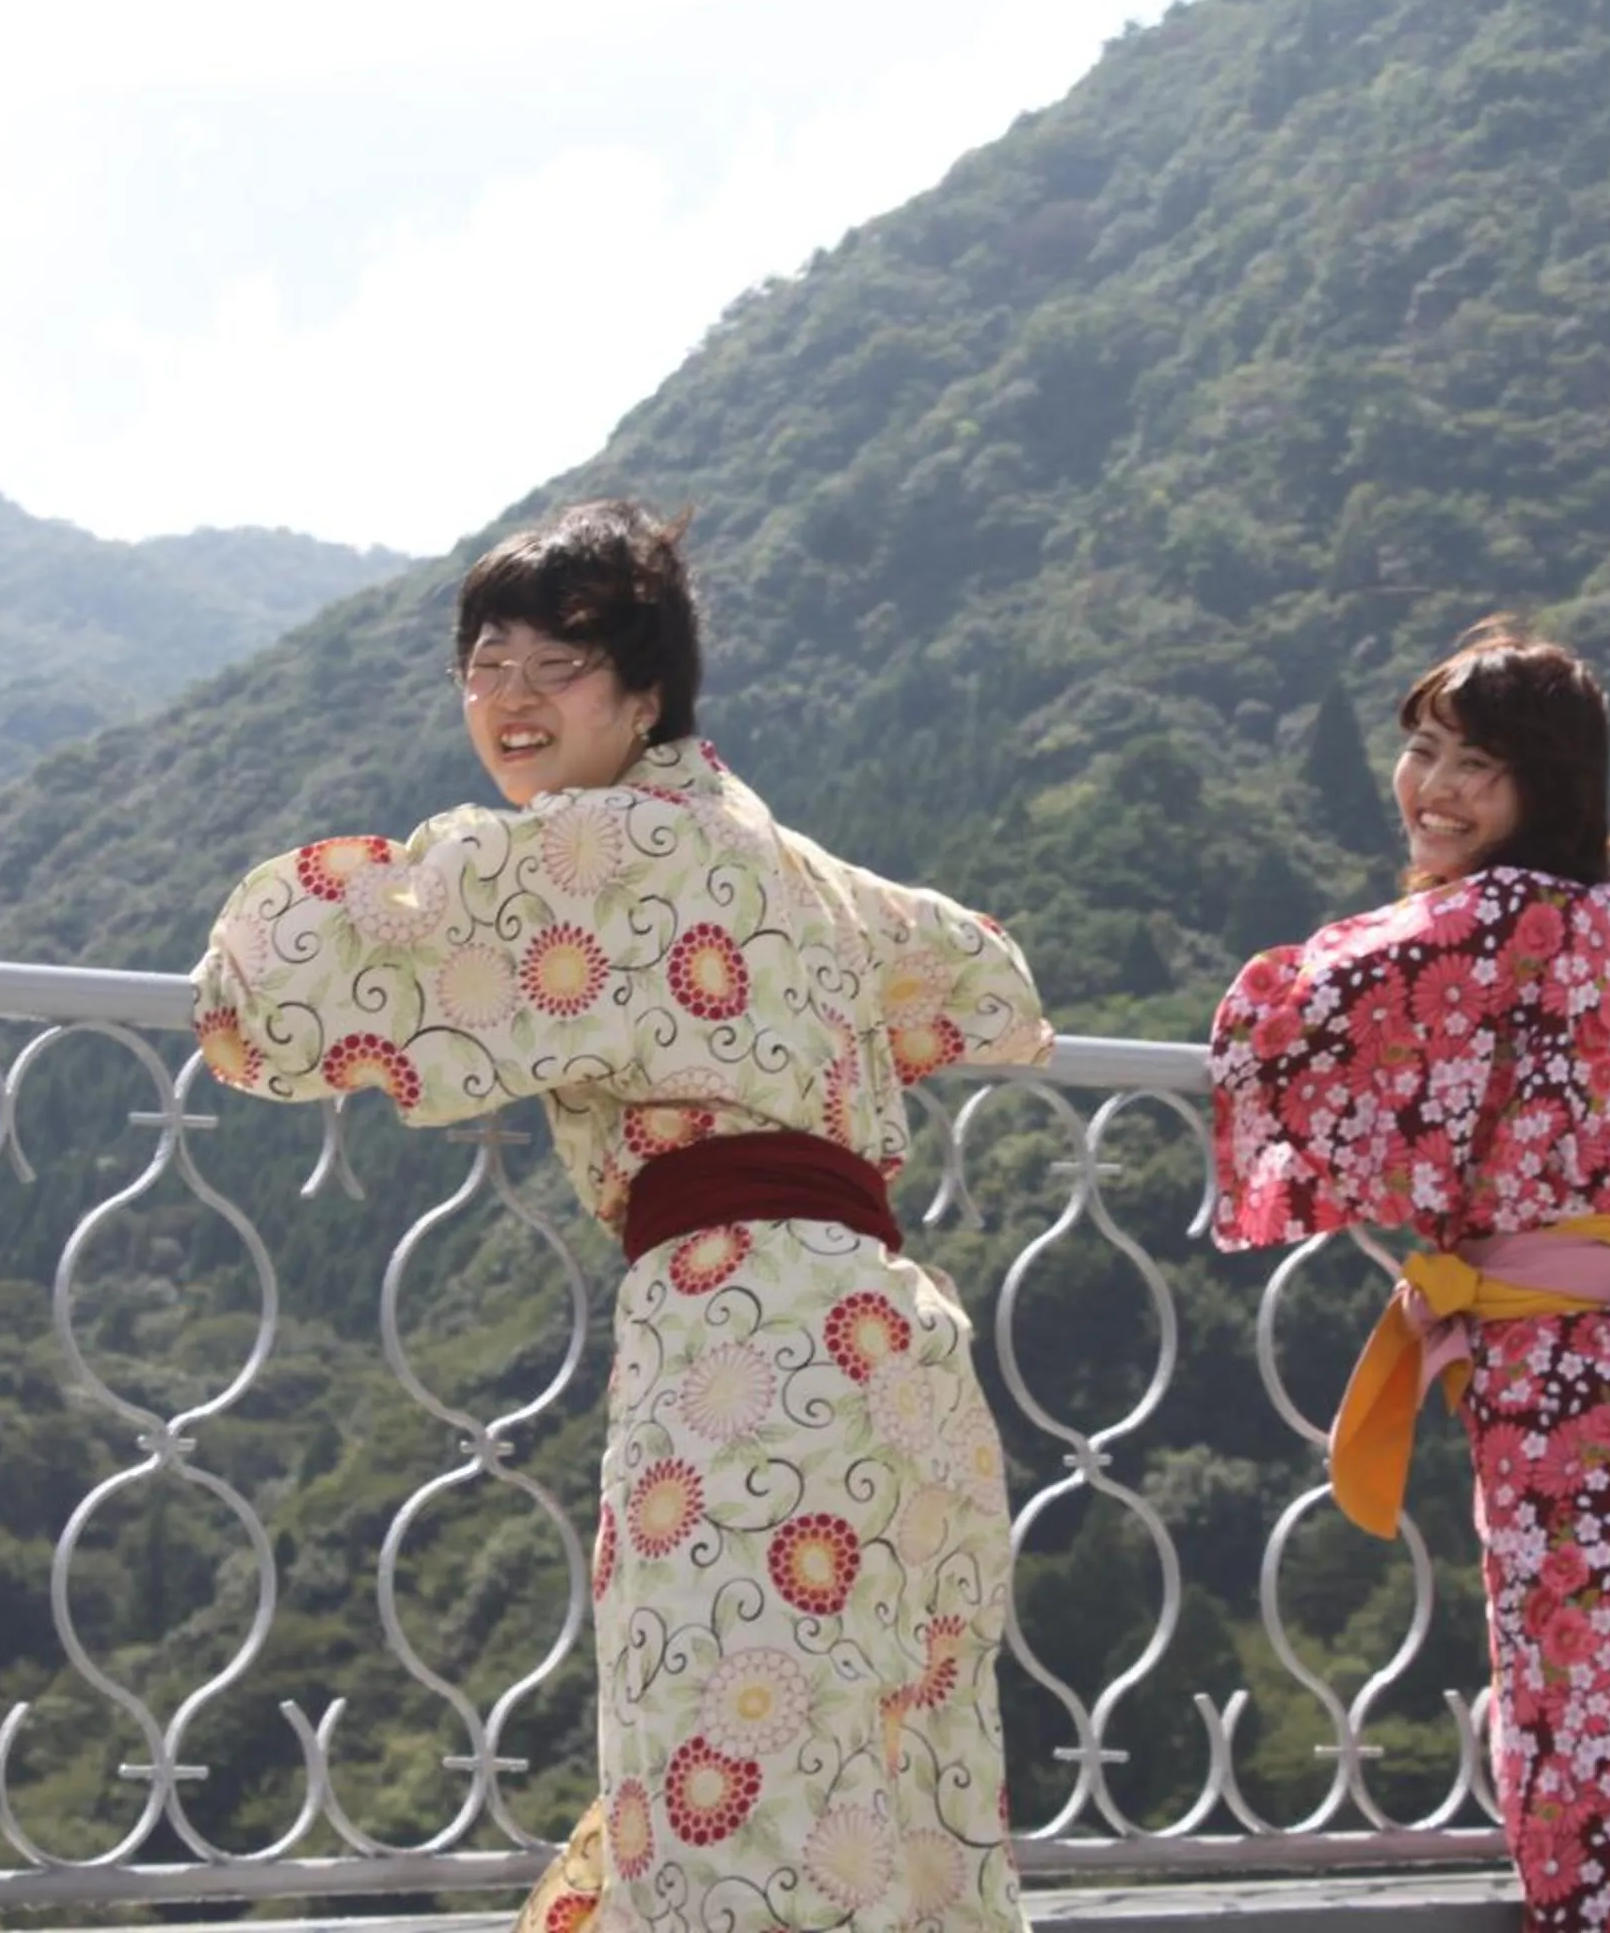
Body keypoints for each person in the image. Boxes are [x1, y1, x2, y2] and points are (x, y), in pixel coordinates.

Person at [192, 500, 1050, 1933]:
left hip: (745, 1351)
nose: (512, 698)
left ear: (645, 695)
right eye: (487, 664)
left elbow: (265, 986)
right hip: (892, 1352)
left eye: (558, 662)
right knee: (886, 1788)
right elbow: (994, 990)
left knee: (727, 1780)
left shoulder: (608, 852)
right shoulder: (780, 859)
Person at [1206, 626, 1610, 1931]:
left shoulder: (1491, 925)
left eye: (1476, 765)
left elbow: (1276, 1011)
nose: (1433, 786)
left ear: (1541, 787)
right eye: (1424, 750)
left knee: (1602, 1769)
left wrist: (1437, 1176)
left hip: (1578, 1411)